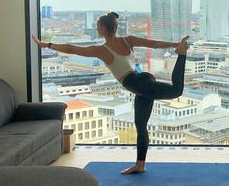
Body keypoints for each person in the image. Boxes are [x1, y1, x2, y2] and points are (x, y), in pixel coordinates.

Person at [32, 12, 189, 175]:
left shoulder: (101, 50)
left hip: (137, 84)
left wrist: (47, 45)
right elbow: (154, 44)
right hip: (142, 82)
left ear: (102, 29)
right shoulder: (128, 40)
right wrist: (174, 43)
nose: (96, 28)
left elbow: (72, 49)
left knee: (176, 90)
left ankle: (181, 54)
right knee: (141, 127)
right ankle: (140, 164)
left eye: (97, 26)